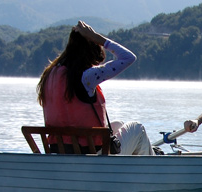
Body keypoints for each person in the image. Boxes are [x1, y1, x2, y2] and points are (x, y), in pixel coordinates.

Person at [37, 21, 154, 155]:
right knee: (138, 130)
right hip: (91, 156)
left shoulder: (49, 74)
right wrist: (98, 38)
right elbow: (128, 58)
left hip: (59, 150)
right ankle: (150, 172)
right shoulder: (85, 76)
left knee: (118, 125)